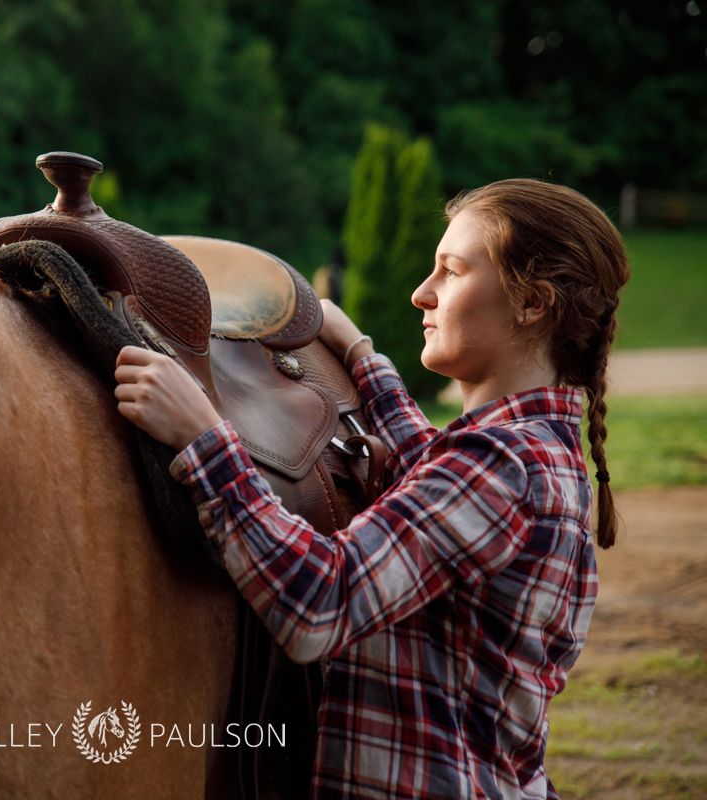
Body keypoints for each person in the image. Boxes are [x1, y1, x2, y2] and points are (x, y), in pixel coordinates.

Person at [113, 179, 630, 800]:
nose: (422, 293)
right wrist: (360, 353)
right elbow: (428, 473)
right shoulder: (534, 452)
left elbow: (320, 604)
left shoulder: (503, 467)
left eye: (451, 271)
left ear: (532, 303)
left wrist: (204, 436)